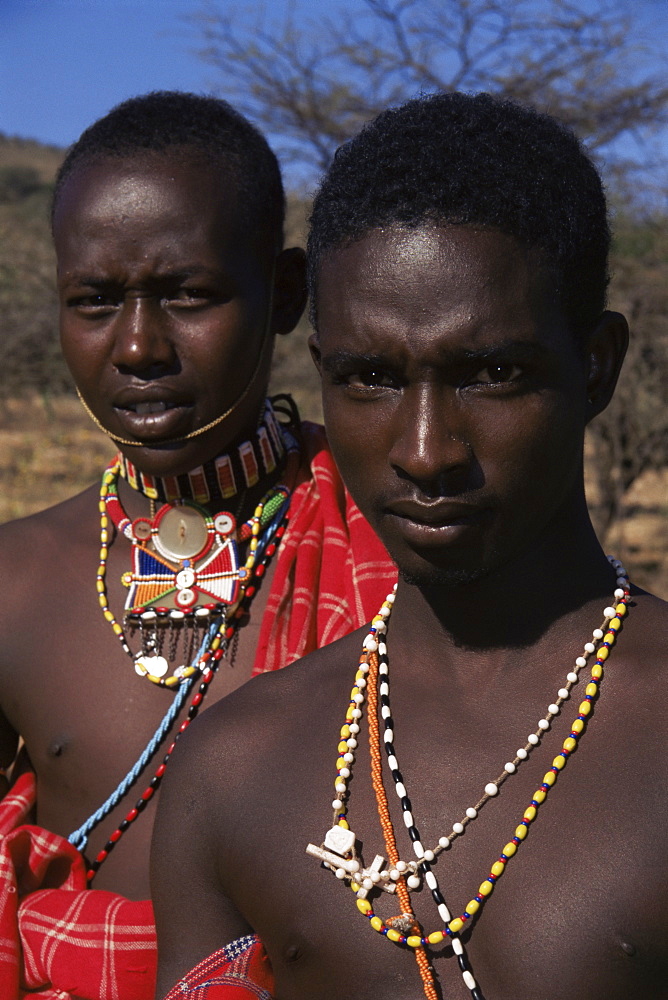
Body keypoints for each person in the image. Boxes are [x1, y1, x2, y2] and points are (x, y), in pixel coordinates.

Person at [152, 92, 668, 1000]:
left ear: (596, 366)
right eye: (372, 379)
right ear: (320, 374)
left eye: (492, 374)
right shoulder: (232, 772)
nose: (426, 449)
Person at [0, 92, 395, 1000]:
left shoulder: (400, 545)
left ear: (287, 294)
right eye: (95, 302)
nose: (139, 347)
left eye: (189, 295)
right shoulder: (18, 580)